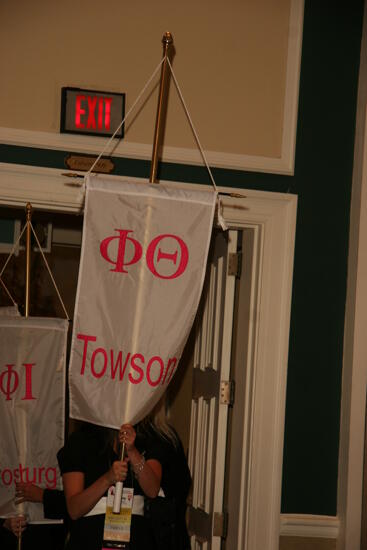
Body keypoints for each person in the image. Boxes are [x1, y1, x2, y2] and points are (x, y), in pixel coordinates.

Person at [57, 401, 191, 550]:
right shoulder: (81, 440)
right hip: (90, 538)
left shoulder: (147, 436)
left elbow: (152, 490)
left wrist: (133, 452)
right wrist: (108, 479)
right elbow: (74, 510)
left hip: (137, 538)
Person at [0, 483, 68, 550]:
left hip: (50, 537)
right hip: (8, 539)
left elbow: (73, 506)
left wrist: (43, 495)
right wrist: (4, 522)